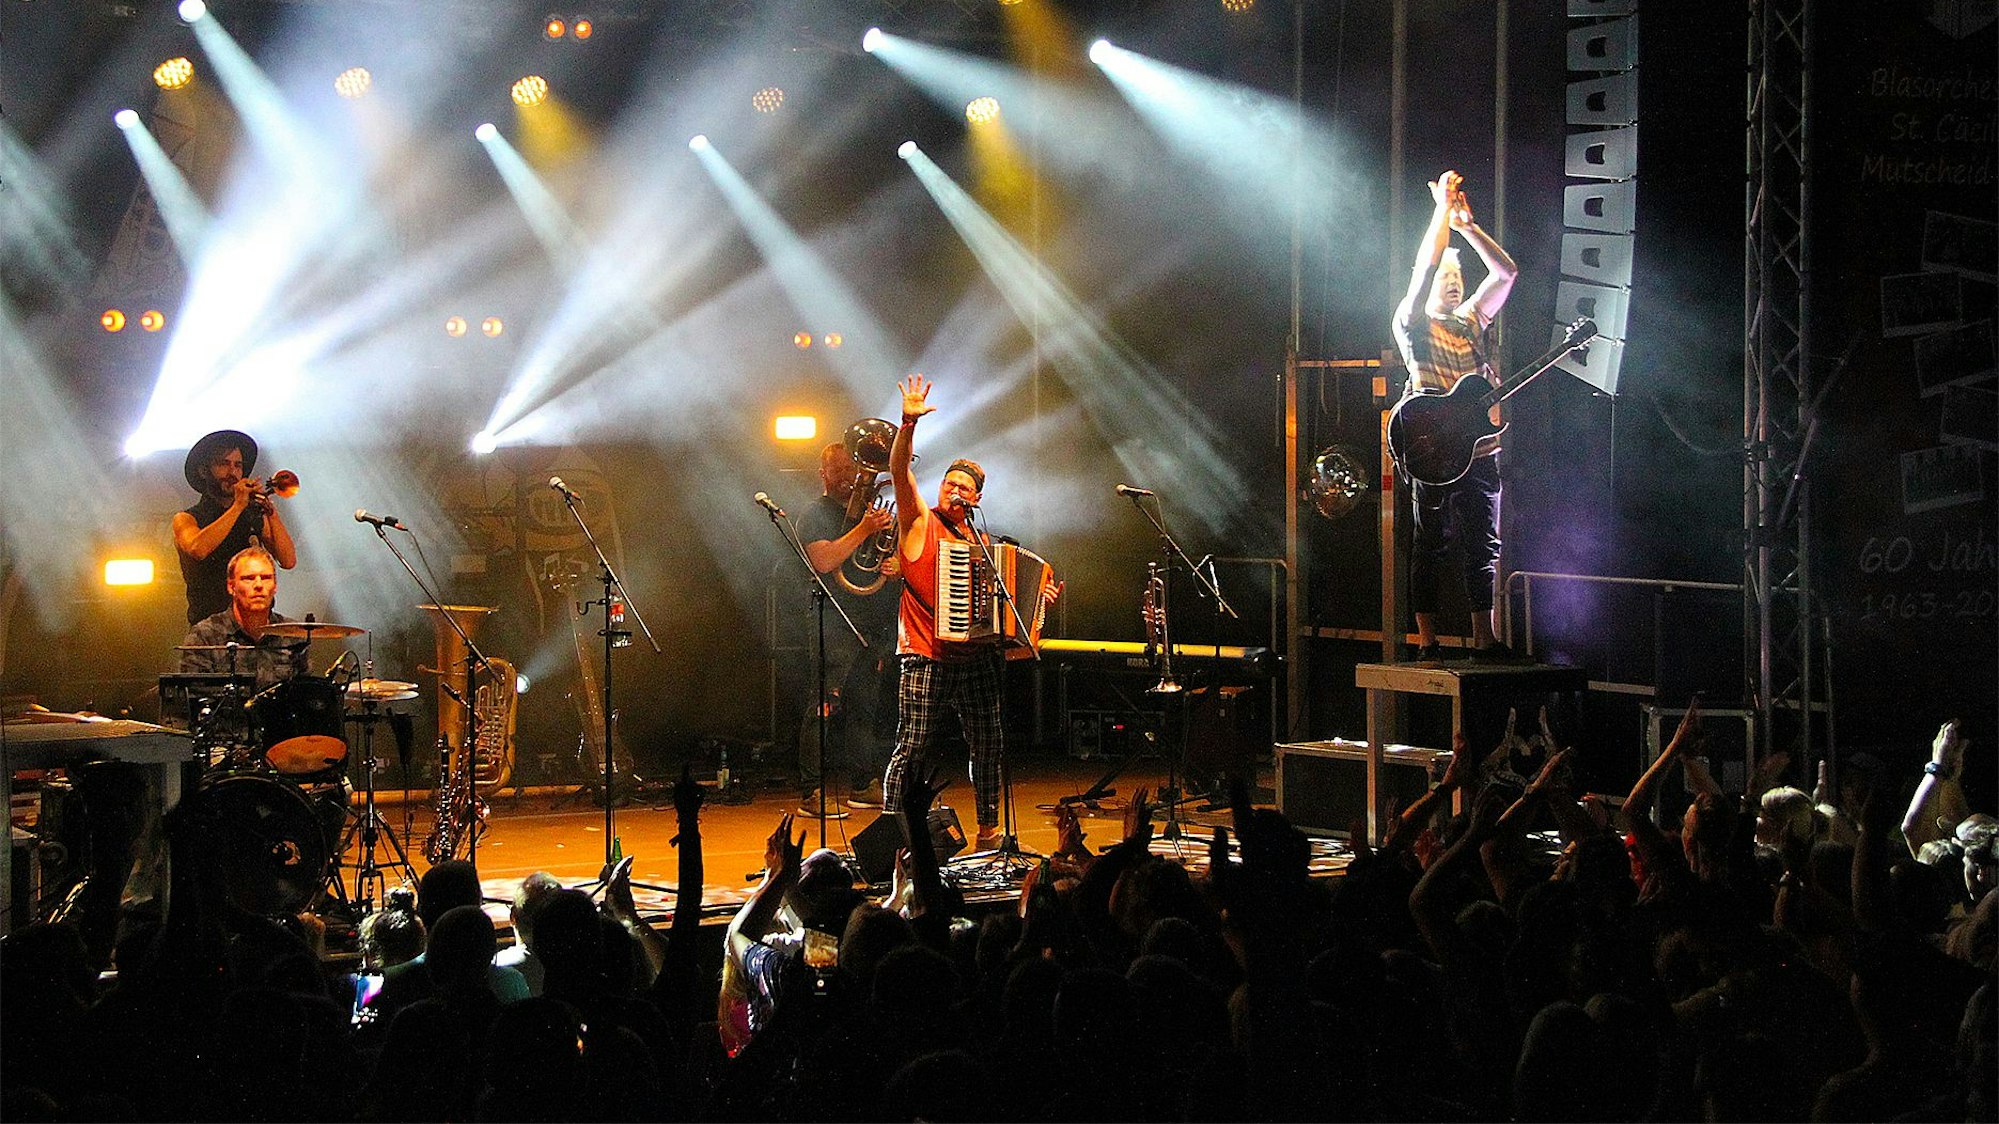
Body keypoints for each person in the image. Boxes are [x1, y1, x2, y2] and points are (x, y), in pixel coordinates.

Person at [881, 375, 1059, 851]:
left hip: (975, 658)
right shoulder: (919, 519)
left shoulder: (984, 545)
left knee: (989, 743)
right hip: (927, 653)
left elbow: (1005, 610)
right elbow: (900, 471)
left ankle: (987, 830)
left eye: (964, 487)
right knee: (913, 746)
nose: (954, 490)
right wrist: (908, 423)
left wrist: (1038, 603)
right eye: (949, 482)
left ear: (976, 498)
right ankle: (890, 833)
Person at [1392, 169, 1518, 662]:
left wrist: (1467, 225)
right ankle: (1427, 641)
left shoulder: (1470, 322)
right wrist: (1440, 213)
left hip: (1480, 448)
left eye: (1457, 279)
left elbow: (1506, 273)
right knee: (1432, 544)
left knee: (1484, 544)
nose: (1451, 284)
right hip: (1435, 450)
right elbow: (1422, 268)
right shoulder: (1412, 322)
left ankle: (1484, 638)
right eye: (1445, 279)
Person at [796, 438, 901, 819]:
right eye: (840, 472)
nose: (849, 479)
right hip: (834, 619)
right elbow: (824, 560)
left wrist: (893, 566)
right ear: (823, 474)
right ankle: (811, 792)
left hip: (873, 619)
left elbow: (883, 558)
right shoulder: (814, 514)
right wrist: (863, 529)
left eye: (854, 471)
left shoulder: (872, 512)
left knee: (865, 707)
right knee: (824, 704)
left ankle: (862, 784)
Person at [172, 429, 296, 626]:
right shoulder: (186, 518)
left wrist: (270, 512)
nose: (233, 473)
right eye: (223, 464)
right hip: (210, 630)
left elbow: (288, 560)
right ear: (204, 471)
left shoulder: (252, 514)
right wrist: (238, 505)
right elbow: (198, 548)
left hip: (256, 627)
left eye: (238, 465)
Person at [176, 546, 308, 690]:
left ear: (275, 586)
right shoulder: (205, 635)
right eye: (248, 578)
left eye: (265, 578)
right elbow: (192, 698)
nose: (258, 585)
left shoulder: (294, 635)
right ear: (231, 586)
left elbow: (305, 696)